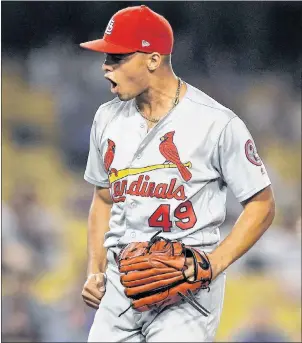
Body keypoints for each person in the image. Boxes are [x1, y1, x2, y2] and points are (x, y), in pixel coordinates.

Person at [80, 5, 275, 342]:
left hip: (186, 288)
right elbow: (102, 199)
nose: (106, 67)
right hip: (120, 282)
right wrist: (95, 270)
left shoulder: (216, 123)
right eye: (106, 58)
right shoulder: (106, 118)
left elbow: (262, 204)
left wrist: (214, 264)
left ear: (153, 60)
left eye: (117, 58)